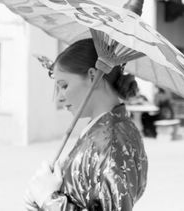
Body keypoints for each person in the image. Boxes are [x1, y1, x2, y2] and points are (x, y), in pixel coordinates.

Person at [25, 39, 148, 211]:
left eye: (64, 85)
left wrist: (49, 199)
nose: (58, 98)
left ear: (93, 77)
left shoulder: (111, 143)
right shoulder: (110, 129)